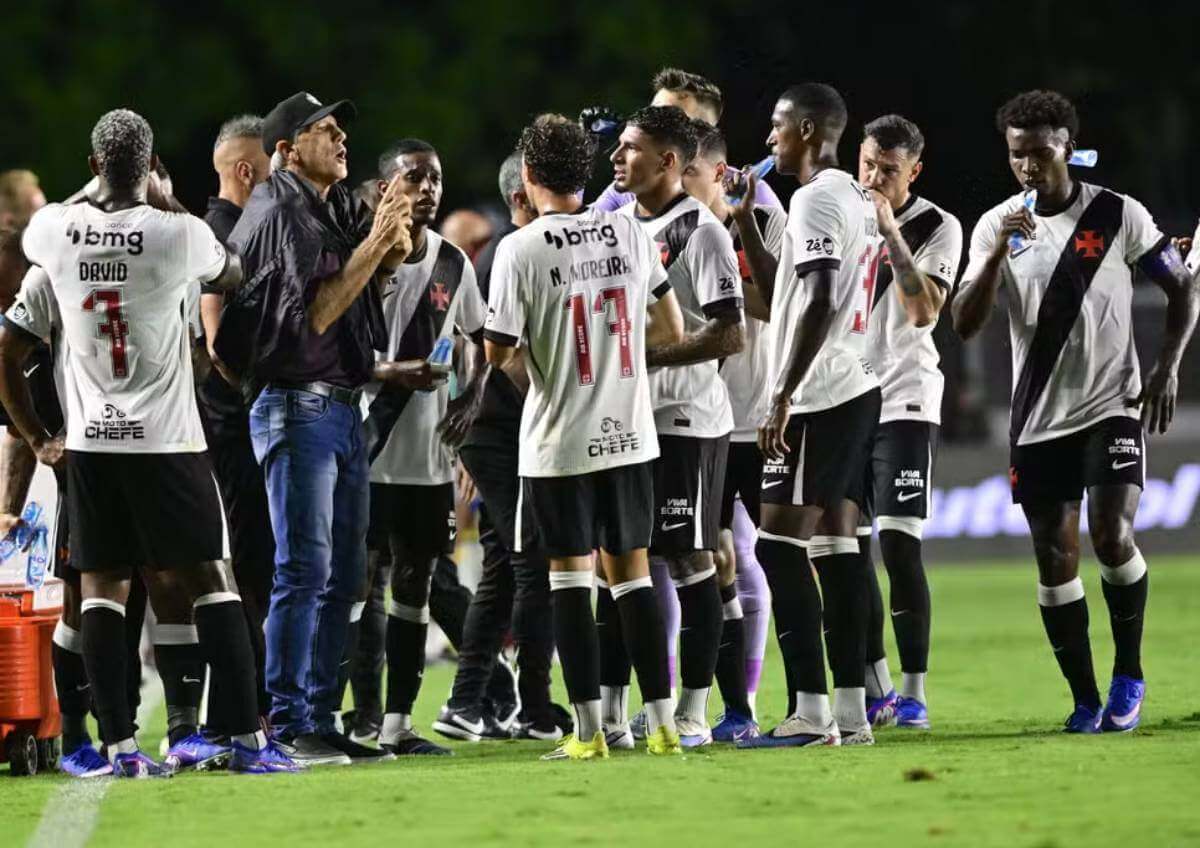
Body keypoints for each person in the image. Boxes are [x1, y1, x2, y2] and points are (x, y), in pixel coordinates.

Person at [0, 108, 294, 775]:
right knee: (210, 579)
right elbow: (234, 274)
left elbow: (13, 336)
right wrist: (168, 201)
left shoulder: (55, 229)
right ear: (152, 164)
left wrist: (41, 436)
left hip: (94, 444)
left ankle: (121, 748)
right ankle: (249, 742)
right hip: (167, 440)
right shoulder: (178, 234)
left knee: (101, 587)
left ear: (92, 165)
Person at [952, 90, 1199, 733]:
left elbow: (1182, 289)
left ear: (1066, 146)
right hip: (1037, 416)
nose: (1027, 167)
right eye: (1016, 156)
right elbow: (964, 322)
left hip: (1112, 404)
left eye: (1038, 152)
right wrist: (995, 259)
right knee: (1054, 557)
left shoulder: (1118, 214)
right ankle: (1085, 697)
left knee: (1113, 537)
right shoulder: (994, 225)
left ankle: (1129, 674)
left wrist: (1166, 366)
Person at [216, 91, 413, 765]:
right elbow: (319, 314)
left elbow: (354, 299)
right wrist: (376, 245)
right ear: (285, 149)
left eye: (339, 130)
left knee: (344, 573)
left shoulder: (323, 207)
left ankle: (321, 714)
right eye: (323, 131)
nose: (339, 139)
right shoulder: (280, 209)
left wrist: (385, 255)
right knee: (304, 567)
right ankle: (289, 717)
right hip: (296, 403)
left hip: (336, 404)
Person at [484, 113, 686, 760]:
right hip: (629, 432)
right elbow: (671, 330)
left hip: (559, 439)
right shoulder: (628, 230)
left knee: (571, 578)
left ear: (528, 176)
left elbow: (497, 350)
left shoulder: (520, 248)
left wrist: (551, 369)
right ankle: (661, 726)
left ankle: (589, 732)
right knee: (632, 576)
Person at [738, 83, 883, 749]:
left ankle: (810, 713)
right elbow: (793, 285)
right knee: (836, 546)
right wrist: (745, 221)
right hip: (853, 386)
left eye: (776, 126)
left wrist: (784, 392)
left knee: (777, 545)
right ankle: (852, 714)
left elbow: (822, 296)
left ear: (802, 127)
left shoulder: (819, 196)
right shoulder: (854, 197)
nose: (769, 140)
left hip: (820, 397)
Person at [605, 105, 745, 749]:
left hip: (688, 416)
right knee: (624, 558)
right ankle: (632, 708)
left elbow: (729, 333)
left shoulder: (701, 231)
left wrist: (641, 356)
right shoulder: (610, 229)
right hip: (627, 419)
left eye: (630, 149)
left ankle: (694, 710)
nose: (616, 158)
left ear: (667, 161)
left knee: (691, 559)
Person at [357, 137, 486, 757]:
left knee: (416, 582)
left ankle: (397, 723)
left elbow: (482, 341)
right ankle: (354, 718)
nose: (428, 188)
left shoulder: (454, 262)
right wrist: (388, 373)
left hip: (426, 455)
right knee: (360, 584)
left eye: (434, 178)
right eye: (414, 177)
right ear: (385, 188)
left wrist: (469, 400)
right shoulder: (357, 254)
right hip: (362, 448)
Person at [434, 150, 567, 743]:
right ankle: (533, 705)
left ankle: (468, 703)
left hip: (497, 431)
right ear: (523, 198)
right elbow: (490, 353)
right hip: (506, 431)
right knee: (530, 562)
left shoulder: (507, 256)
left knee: (506, 567)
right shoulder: (506, 257)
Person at [855, 114, 962, 730]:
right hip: (845, 400)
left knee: (897, 542)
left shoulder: (936, 226)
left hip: (906, 398)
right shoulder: (835, 212)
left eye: (888, 170)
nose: (873, 178)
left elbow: (923, 310)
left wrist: (889, 229)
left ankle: (916, 692)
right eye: (867, 164)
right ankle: (876, 686)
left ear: (913, 172)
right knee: (843, 548)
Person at [681, 121, 785, 742]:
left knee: (788, 561)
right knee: (713, 560)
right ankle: (736, 709)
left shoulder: (765, 224)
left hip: (766, 420)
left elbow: (775, 303)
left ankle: (820, 706)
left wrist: (727, 264)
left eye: (689, 173)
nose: (678, 184)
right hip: (707, 425)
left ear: (717, 174)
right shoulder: (673, 234)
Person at [193, 114, 275, 744]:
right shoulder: (221, 235)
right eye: (269, 165)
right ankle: (244, 716)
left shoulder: (226, 230)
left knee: (253, 568)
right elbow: (219, 344)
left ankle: (236, 711)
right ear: (247, 171)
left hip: (232, 424)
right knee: (248, 569)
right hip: (235, 426)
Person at [588, 68, 781, 213]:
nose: (654, 127)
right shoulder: (627, 191)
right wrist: (581, 152)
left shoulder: (754, 195)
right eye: (653, 115)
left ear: (706, 131)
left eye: (672, 120)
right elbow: (572, 235)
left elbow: (789, 262)